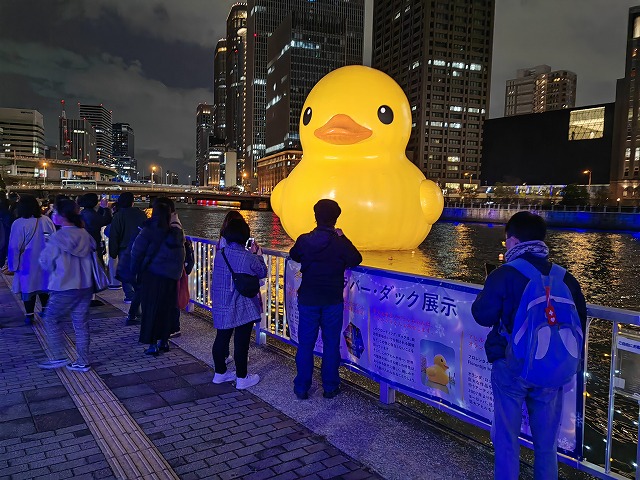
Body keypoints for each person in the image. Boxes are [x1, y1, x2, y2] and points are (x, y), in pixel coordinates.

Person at [471, 211, 587, 480]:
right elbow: (579, 321)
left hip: (511, 368)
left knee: (507, 439)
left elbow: (482, 315)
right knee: (546, 447)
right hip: (552, 369)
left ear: (512, 240)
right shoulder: (565, 277)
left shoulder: (504, 274)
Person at [289, 199, 362, 400]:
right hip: (332, 299)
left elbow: (293, 255)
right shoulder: (339, 242)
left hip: (308, 298)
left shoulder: (304, 240)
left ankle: (302, 387)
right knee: (331, 344)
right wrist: (343, 236)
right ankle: (330, 386)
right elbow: (356, 259)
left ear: (315, 217)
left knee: (305, 344)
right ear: (336, 219)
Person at [38, 198, 95, 372]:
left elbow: (45, 261)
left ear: (63, 215)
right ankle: (82, 361)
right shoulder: (84, 233)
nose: (53, 214)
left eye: (55, 212)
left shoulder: (58, 237)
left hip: (64, 286)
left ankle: (57, 356)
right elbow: (93, 249)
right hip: (85, 286)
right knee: (80, 324)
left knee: (50, 318)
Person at [211, 218, 267, 389]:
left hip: (221, 302)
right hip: (242, 304)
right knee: (241, 342)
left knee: (222, 337)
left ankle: (219, 373)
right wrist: (258, 255)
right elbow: (262, 272)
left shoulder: (220, 254)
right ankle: (242, 378)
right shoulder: (247, 257)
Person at [130, 202, 185, 355]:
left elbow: (136, 252)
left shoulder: (148, 230)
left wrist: (135, 271)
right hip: (170, 278)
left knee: (151, 310)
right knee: (166, 310)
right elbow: (181, 256)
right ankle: (164, 341)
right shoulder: (176, 233)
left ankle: (152, 343)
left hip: (151, 276)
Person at [7, 194, 56, 324]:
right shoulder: (46, 220)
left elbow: (14, 246)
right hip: (45, 259)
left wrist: (13, 265)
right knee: (44, 286)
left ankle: (30, 315)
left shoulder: (19, 223)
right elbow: (53, 239)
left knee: (28, 288)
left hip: (26, 261)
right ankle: (46, 311)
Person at [108, 192, 147, 306]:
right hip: (140, 246)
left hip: (124, 247)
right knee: (139, 271)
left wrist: (113, 252)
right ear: (132, 202)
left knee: (126, 270)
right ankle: (139, 293)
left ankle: (130, 295)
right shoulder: (141, 214)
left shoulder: (119, 215)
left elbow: (115, 235)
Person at [78, 192, 112, 264]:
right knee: (97, 265)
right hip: (93, 243)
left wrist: (101, 208)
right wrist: (105, 208)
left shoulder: (85, 212)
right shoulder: (89, 214)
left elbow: (98, 218)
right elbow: (105, 220)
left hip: (87, 243)